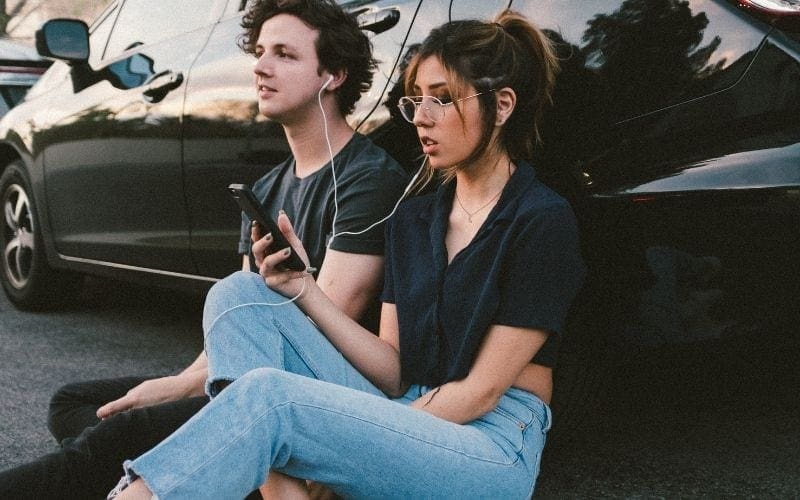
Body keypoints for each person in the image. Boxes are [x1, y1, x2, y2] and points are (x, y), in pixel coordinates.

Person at [111, 8, 586, 499]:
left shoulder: (540, 220)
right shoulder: (414, 218)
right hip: (411, 406)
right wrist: (303, 290)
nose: (422, 117)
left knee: (272, 401)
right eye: (416, 100)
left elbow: (481, 392)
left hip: (491, 442)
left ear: (503, 105)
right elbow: (394, 368)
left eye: (442, 99)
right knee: (240, 296)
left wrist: (339, 445)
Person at [0, 0, 408, 498]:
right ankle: (209, 474)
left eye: (284, 54)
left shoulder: (367, 180)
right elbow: (234, 318)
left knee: (115, 434)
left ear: (334, 75)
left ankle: (185, 467)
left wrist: (184, 390)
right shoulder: (268, 187)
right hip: (246, 377)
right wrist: (183, 380)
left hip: (304, 395)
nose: (260, 66)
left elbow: (312, 337)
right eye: (259, 52)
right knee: (75, 401)